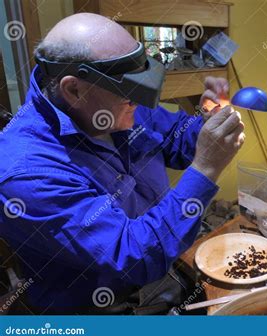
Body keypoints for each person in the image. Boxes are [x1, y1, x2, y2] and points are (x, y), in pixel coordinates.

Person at [0, 13, 244, 314]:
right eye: (130, 93)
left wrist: (210, 122)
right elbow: (133, 256)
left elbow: (177, 142)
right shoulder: (26, 175)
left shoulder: (112, 101)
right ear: (74, 89)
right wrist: (206, 168)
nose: (140, 101)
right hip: (97, 306)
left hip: (159, 267)